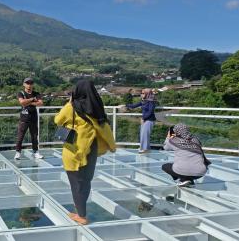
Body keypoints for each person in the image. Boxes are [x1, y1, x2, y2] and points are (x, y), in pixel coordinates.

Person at [54, 80, 116, 225]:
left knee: (76, 183)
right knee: (85, 181)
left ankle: (81, 216)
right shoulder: (97, 107)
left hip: (76, 150)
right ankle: (80, 211)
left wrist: (69, 103)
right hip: (91, 149)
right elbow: (104, 127)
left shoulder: (72, 107)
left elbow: (57, 119)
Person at [15, 77, 44, 160]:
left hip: (33, 117)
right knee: (20, 136)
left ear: (33, 85)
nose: (29, 85)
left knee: (34, 136)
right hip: (24, 118)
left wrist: (28, 102)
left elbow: (41, 103)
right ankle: (18, 152)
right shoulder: (21, 93)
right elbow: (22, 102)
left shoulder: (36, 93)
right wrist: (32, 100)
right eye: (27, 83)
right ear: (24, 84)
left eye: (31, 83)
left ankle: (36, 152)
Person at [124, 88, 156, 153]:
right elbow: (133, 106)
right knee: (143, 134)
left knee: (145, 135)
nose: (141, 94)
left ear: (147, 94)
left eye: (143, 93)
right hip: (145, 120)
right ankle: (145, 148)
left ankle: (145, 149)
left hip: (149, 120)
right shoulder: (144, 101)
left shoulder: (151, 101)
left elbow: (150, 112)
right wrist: (125, 105)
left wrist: (143, 118)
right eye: (141, 93)